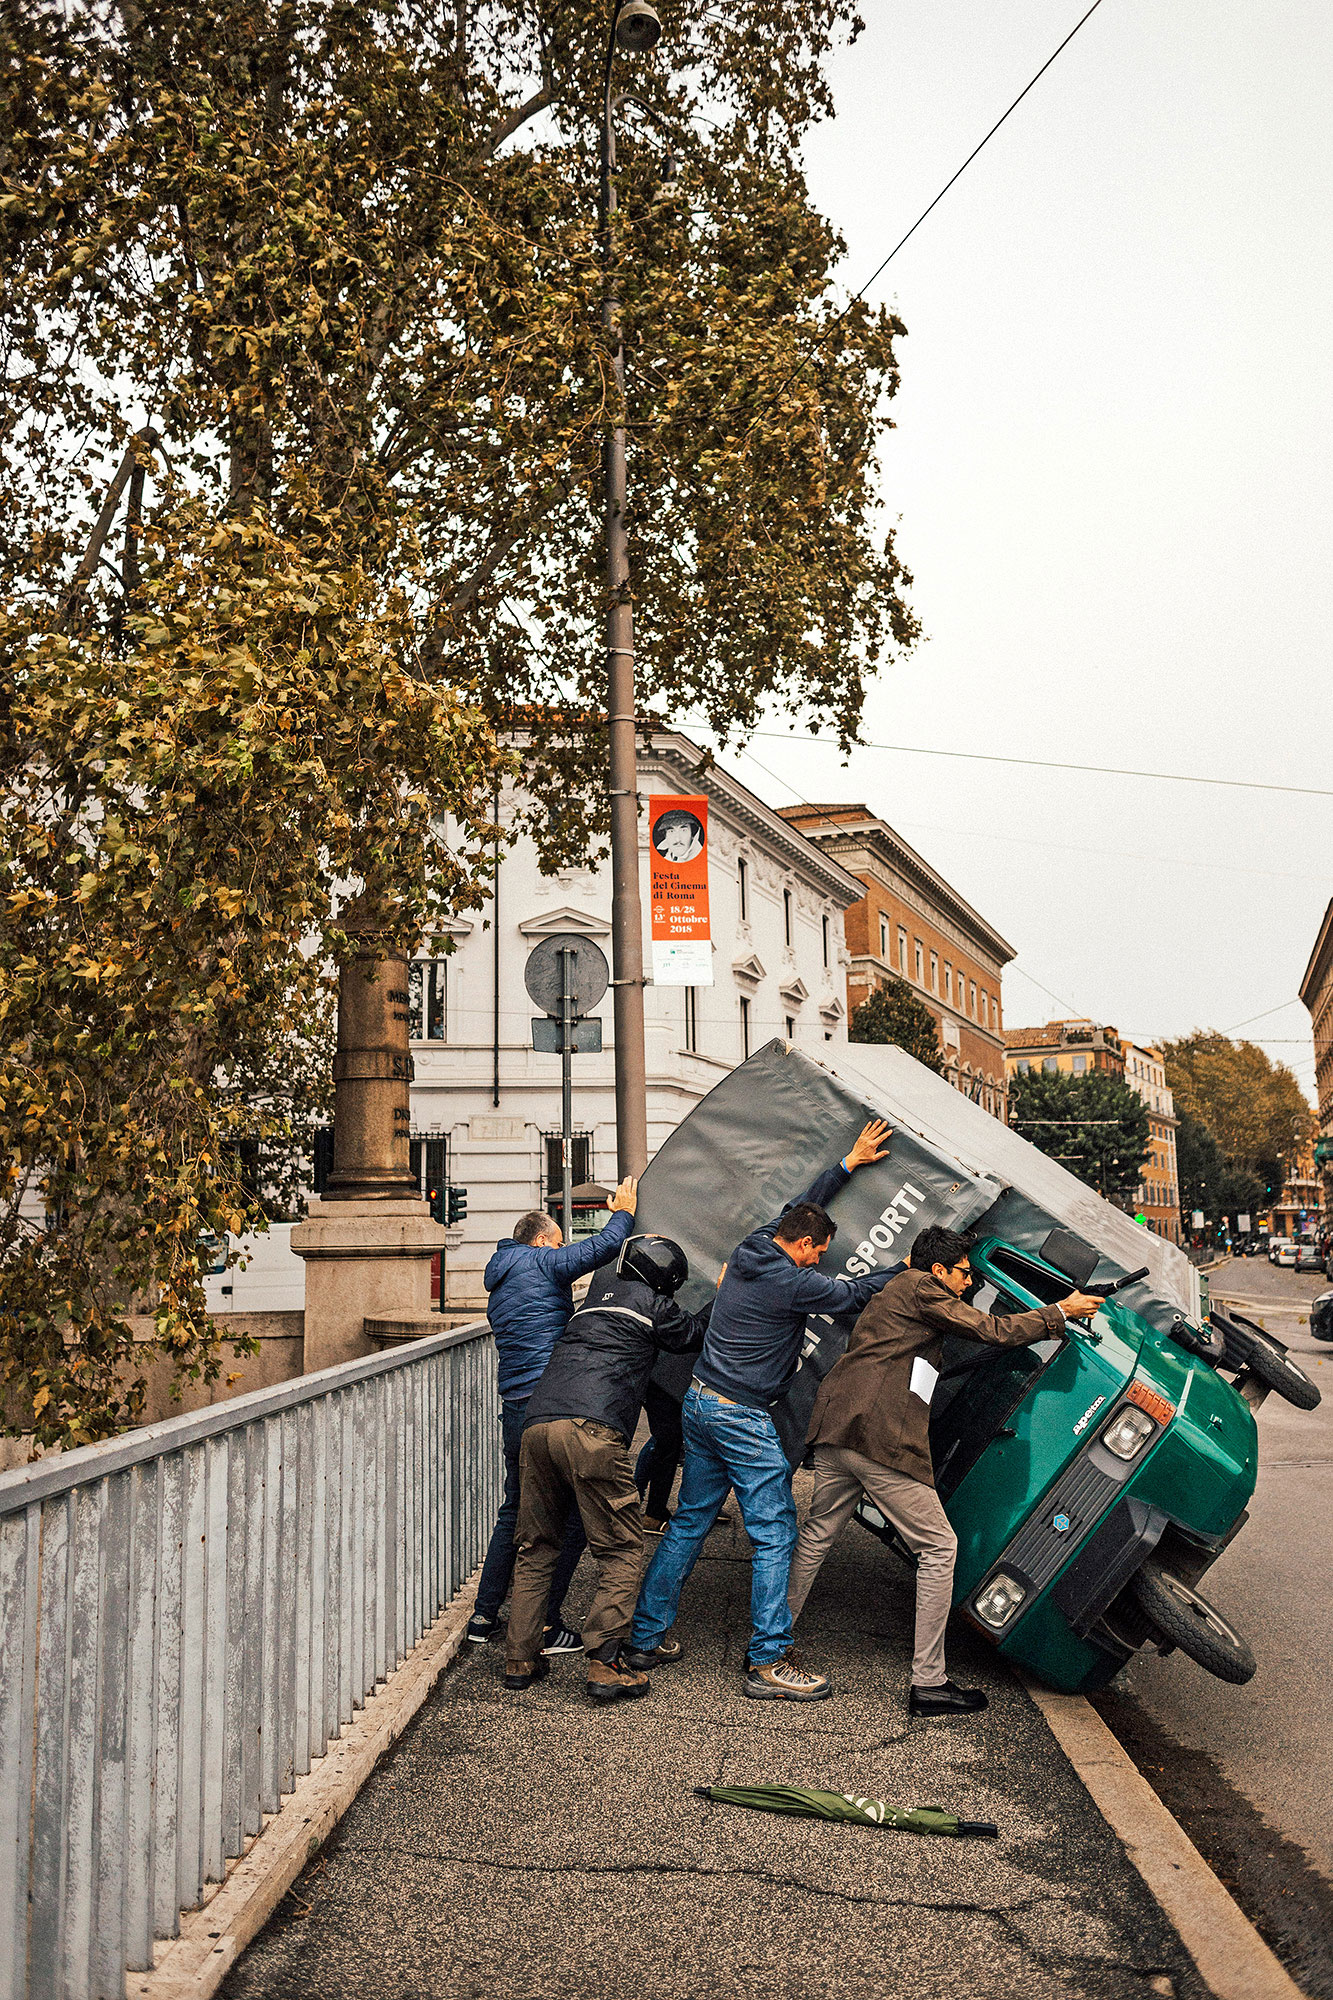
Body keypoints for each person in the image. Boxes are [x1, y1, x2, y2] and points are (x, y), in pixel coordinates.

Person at [628, 1119, 900, 1702]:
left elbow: (801, 1205)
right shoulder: (794, 1283)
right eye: (818, 1254)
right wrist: (909, 1269)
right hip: (740, 1415)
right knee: (775, 1531)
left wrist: (848, 1164)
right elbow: (855, 1294)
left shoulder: (754, 1245)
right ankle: (768, 1661)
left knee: (689, 1522)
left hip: (700, 1402)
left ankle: (645, 1638)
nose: (819, 1262)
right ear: (802, 1247)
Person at [788, 1223, 1105, 1716]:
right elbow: (990, 1329)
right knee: (939, 1546)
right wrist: (1059, 1312)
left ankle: (770, 1643)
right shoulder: (921, 1288)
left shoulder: (898, 1289)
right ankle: (929, 1682)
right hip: (877, 1434)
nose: (969, 1283)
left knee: (817, 1535)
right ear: (939, 1270)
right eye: (964, 1274)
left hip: (839, 1427)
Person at [504, 1235, 714, 1703]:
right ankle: (605, 1662)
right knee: (620, 1548)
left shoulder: (590, 1304)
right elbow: (692, 1337)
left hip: (537, 1427)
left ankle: (520, 1656)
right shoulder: (655, 1306)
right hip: (593, 1431)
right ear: (667, 1279)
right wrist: (721, 1295)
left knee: (536, 1545)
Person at [467, 1178, 638, 1653]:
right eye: (559, 1242)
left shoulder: (501, 1276)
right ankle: (545, 1622)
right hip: (550, 1403)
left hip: (514, 1407)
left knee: (515, 1509)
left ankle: (484, 1616)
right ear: (543, 1240)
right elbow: (601, 1248)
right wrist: (623, 1212)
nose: (562, 1250)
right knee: (569, 1519)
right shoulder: (540, 1260)